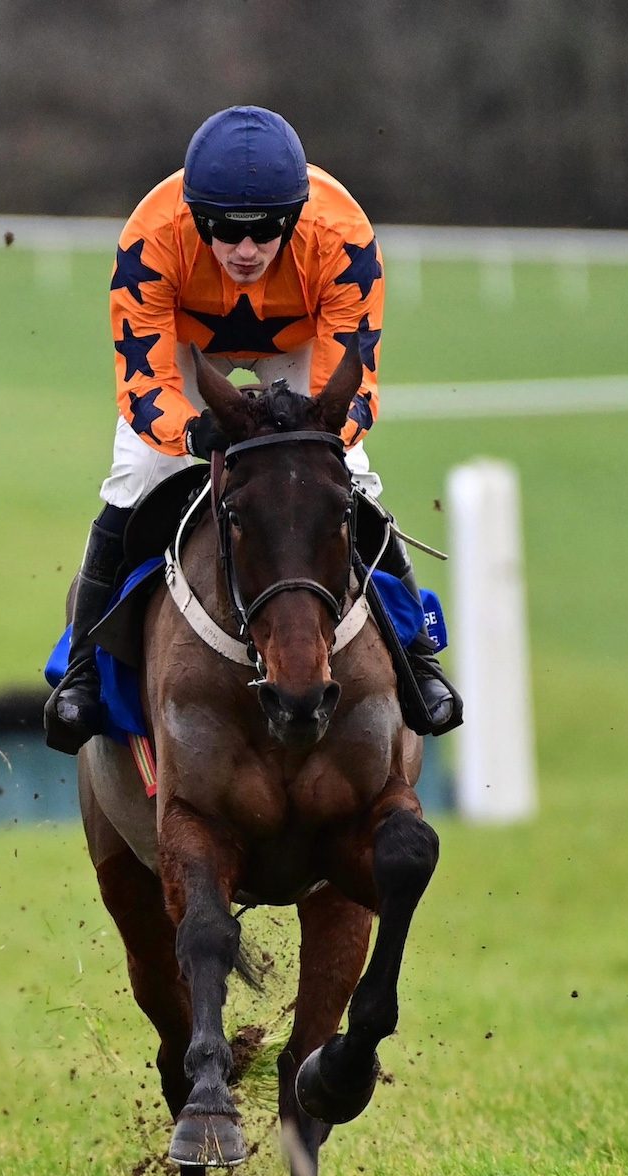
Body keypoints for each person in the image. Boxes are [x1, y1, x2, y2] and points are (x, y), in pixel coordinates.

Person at [43, 105, 460, 754]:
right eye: (223, 231)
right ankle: (78, 678)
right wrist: (194, 434)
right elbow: (144, 384)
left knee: (353, 480)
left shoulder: (343, 236)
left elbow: (354, 385)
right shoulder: (149, 240)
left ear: (295, 218)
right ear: (193, 215)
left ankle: (419, 661)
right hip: (188, 347)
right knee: (136, 476)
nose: (244, 250)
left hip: (299, 348)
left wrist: (315, 440)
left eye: (266, 231)